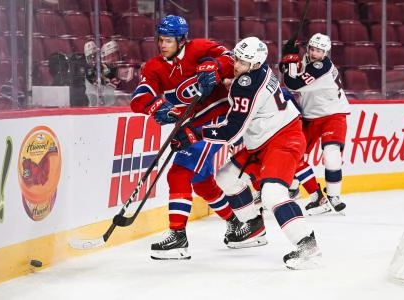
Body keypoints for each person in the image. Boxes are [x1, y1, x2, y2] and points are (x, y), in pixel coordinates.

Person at [171, 37, 322, 269]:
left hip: (283, 139)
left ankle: (308, 246)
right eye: (237, 59)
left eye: (242, 63)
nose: (237, 65)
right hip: (262, 139)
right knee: (226, 177)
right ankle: (252, 226)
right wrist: (228, 80)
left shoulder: (247, 83)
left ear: (254, 65)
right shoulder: (256, 71)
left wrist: (195, 134)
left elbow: (232, 130)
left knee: (273, 193)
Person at [129, 15, 265, 260]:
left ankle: (178, 237)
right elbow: (139, 97)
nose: (163, 44)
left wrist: (213, 65)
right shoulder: (154, 66)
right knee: (201, 179)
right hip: (193, 123)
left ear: (181, 40)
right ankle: (236, 224)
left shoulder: (199, 47)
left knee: (179, 172)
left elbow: (230, 59)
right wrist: (155, 107)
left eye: (168, 40)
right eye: (160, 39)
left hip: (218, 117)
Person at [279, 33, 350, 215]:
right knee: (295, 154)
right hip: (309, 116)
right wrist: (289, 55)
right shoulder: (306, 60)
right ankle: (296, 188)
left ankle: (334, 195)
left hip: (333, 114)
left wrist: (289, 60)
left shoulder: (322, 66)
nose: (314, 53)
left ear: (325, 52)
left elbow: (292, 84)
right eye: (312, 49)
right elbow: (286, 70)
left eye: (319, 50)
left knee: (331, 152)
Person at [84, 40, 122, 106]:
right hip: (98, 109)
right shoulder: (90, 73)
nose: (93, 60)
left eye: (94, 56)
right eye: (90, 57)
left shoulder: (108, 69)